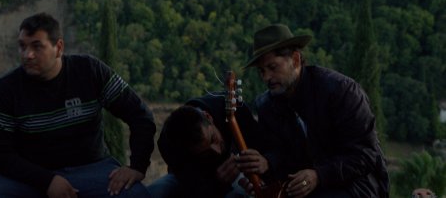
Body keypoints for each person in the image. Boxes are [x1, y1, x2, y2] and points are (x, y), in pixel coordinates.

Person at [0, 12, 156, 198]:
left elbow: (140, 116)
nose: (27, 55)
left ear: (58, 48)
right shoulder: (5, 90)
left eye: (37, 46)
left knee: (136, 195)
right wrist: (47, 180)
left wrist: (137, 167)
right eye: (22, 46)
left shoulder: (89, 71)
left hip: (93, 170)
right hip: (31, 178)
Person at [237, 23, 389, 198]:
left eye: (272, 67)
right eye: (261, 71)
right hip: (301, 188)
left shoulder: (341, 91)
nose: (266, 78)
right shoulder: (267, 106)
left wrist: (319, 175)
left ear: (295, 60)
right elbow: (281, 153)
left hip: (357, 185)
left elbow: (365, 154)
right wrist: (266, 163)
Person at [149, 92, 263, 198]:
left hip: (240, 175)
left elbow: (264, 149)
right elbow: (191, 187)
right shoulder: (171, 146)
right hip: (195, 182)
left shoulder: (232, 105)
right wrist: (218, 183)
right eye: (205, 153)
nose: (217, 151)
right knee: (155, 191)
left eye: (213, 139)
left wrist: (257, 173)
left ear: (208, 117)